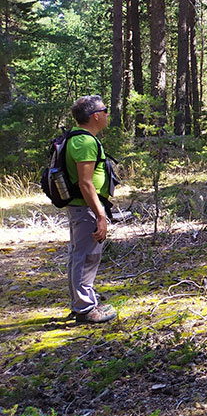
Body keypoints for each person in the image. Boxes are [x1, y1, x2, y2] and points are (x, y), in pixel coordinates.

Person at [65, 95, 117, 324]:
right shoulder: (84, 142)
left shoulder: (81, 139)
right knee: (87, 257)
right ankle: (85, 309)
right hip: (85, 208)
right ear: (95, 116)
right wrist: (100, 215)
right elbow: (86, 183)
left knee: (80, 255)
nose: (107, 114)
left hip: (83, 208)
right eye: (105, 110)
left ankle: (83, 302)